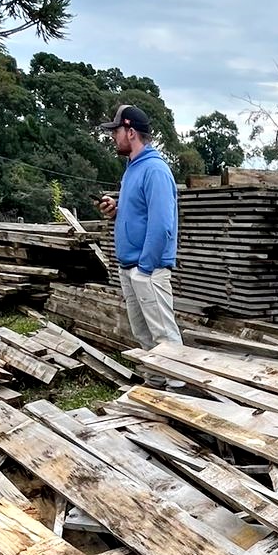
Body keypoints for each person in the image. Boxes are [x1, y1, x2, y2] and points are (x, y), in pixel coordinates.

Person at [96, 105, 184, 370]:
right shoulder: (132, 168)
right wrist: (117, 209)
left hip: (149, 269)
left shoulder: (155, 170)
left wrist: (144, 269)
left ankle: (179, 390)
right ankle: (156, 387)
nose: (113, 136)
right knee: (145, 339)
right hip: (131, 268)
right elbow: (142, 213)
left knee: (165, 339)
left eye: (116, 131)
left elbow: (162, 225)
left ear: (131, 131)